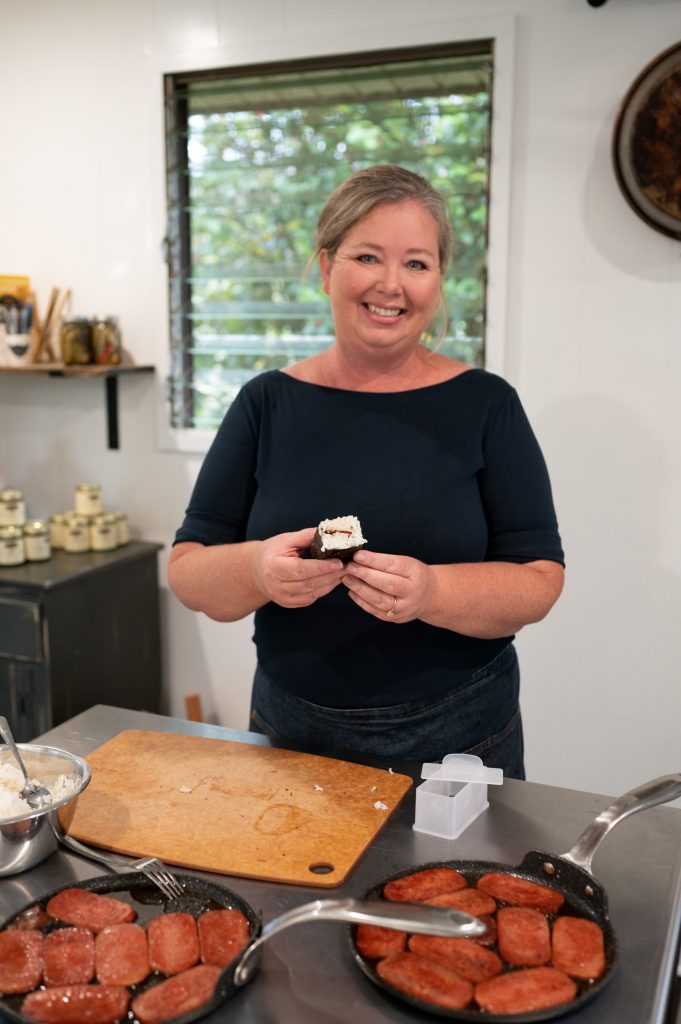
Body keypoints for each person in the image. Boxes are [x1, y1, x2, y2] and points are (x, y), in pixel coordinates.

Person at [168, 164, 564, 780]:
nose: (391, 284)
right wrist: (257, 571)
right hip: (290, 735)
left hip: (460, 740)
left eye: (417, 263)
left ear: (438, 279)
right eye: (368, 256)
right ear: (327, 268)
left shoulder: (487, 405)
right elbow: (189, 572)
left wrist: (433, 593)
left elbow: (538, 580)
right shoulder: (265, 403)